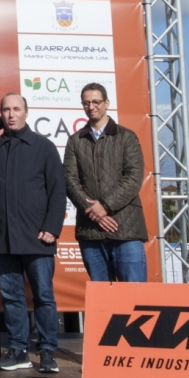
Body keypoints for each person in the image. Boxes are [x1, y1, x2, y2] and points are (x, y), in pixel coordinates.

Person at [0, 93, 65, 374]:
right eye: (6, 110)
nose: (11, 114)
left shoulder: (44, 147)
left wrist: (51, 228)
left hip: (38, 239)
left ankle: (47, 350)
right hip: (2, 240)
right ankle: (19, 349)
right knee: (11, 298)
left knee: (44, 296)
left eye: (16, 109)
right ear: (0, 114)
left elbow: (57, 193)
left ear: (26, 112)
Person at [64, 83, 148, 282]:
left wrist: (105, 206)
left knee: (134, 298)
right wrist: (94, 212)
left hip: (126, 229)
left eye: (96, 102)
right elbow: (69, 180)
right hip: (91, 231)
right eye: (86, 103)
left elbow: (134, 177)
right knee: (102, 301)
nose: (91, 106)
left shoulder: (126, 137)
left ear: (107, 103)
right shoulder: (75, 140)